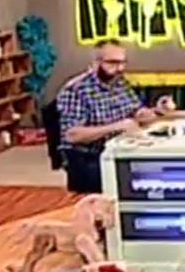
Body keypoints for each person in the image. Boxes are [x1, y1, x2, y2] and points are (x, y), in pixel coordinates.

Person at [57, 40, 158, 194]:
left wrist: (156, 111)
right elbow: (72, 135)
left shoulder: (120, 83)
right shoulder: (76, 90)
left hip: (120, 150)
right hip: (90, 158)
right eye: (113, 63)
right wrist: (117, 126)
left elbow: (135, 111)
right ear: (96, 62)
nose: (120, 68)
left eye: (123, 63)